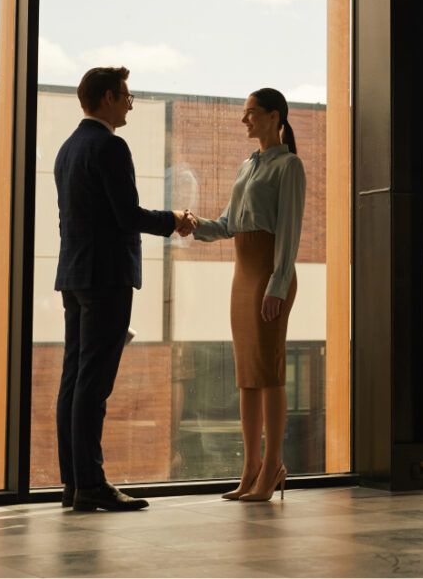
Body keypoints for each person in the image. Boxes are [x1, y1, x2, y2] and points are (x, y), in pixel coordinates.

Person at [54, 66, 196, 512]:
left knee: (74, 381)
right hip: (107, 277)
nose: (131, 102)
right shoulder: (111, 146)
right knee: (93, 386)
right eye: (127, 95)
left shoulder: (68, 148)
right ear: (110, 97)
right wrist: (173, 220)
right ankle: (91, 485)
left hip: (75, 275)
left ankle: (74, 484)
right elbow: (127, 215)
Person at [190, 88, 305, 503]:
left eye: (252, 113)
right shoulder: (246, 167)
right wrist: (193, 224)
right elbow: (227, 224)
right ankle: (251, 468)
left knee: (269, 372)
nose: (245, 120)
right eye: (245, 114)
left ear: (276, 117)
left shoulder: (289, 166)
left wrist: (277, 283)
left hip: (269, 275)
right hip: (243, 275)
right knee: (248, 376)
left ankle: (273, 465)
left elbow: (289, 233)